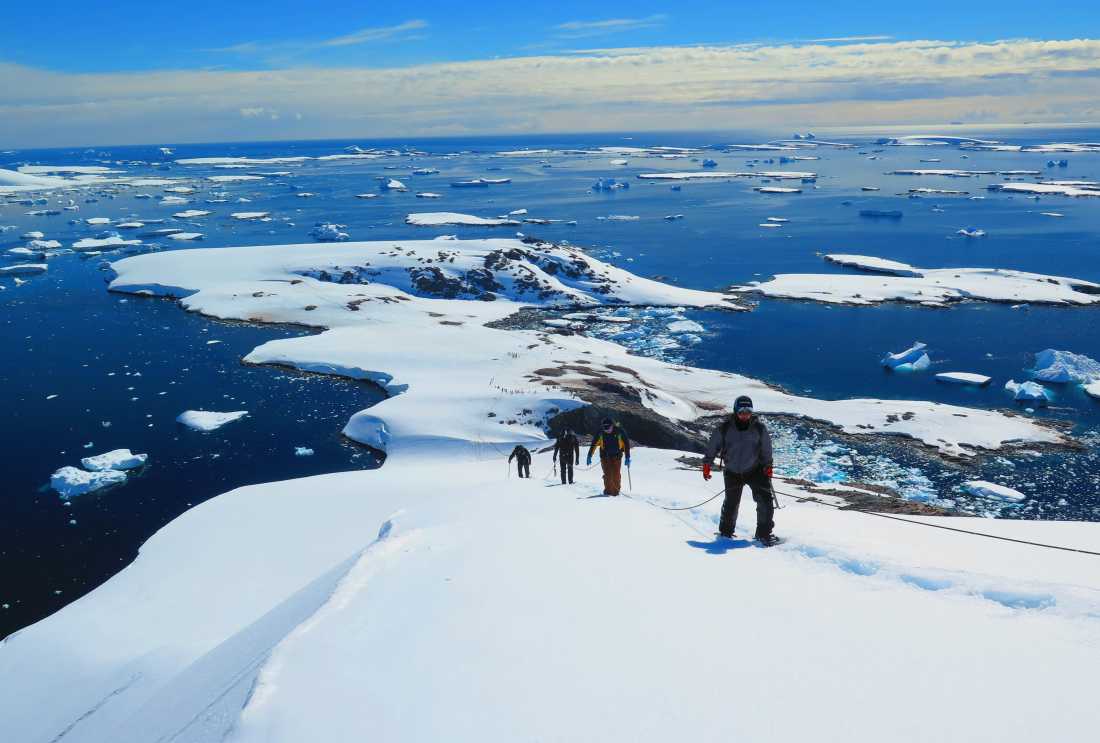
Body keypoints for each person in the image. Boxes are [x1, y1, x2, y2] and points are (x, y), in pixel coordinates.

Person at [702, 395, 779, 546]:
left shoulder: (759, 428)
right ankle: (726, 533)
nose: (745, 414)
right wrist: (707, 464)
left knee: (765, 501)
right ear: (736, 410)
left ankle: (763, 534)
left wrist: (768, 466)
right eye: (742, 411)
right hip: (732, 472)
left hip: (755, 469)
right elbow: (713, 446)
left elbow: (766, 449)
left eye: (748, 410)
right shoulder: (724, 428)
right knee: (731, 503)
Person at [586, 418, 631, 496]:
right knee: (607, 474)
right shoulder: (600, 432)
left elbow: (626, 444)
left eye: (608, 428)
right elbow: (594, 444)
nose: (606, 430)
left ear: (612, 426)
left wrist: (627, 457)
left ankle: (616, 493)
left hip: (617, 456)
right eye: (604, 428)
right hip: (605, 457)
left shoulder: (620, 431)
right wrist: (589, 456)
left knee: (616, 475)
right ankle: (608, 492)